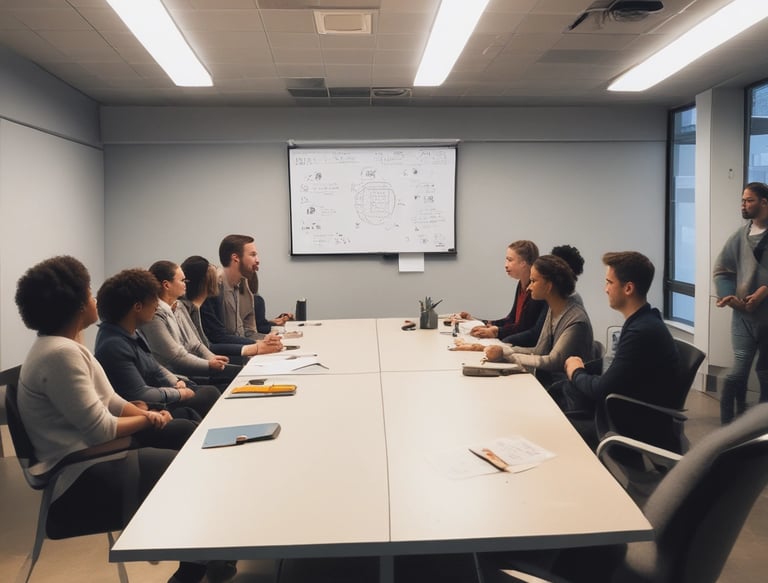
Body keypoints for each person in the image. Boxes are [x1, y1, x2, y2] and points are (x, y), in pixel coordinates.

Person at [13, 256, 213, 583]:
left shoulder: (63, 347)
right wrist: (150, 419)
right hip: (79, 478)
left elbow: (113, 401)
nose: (95, 299)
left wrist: (147, 414)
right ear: (75, 305)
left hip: (92, 460)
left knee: (185, 436)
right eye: (89, 293)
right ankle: (194, 571)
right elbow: (103, 429)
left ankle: (206, 559)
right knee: (189, 473)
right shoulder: (60, 355)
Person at [559, 251, 680, 415]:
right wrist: (582, 368)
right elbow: (617, 369)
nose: (606, 289)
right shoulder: (644, 321)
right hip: (624, 411)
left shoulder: (641, 332)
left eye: (609, 282)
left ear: (628, 288)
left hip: (627, 424)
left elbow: (602, 389)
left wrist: (576, 372)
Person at [94, 268, 219, 420]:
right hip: (146, 409)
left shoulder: (133, 332)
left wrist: (176, 382)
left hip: (158, 397)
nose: (156, 305)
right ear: (138, 307)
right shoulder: (113, 345)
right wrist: (178, 393)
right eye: (153, 299)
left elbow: (155, 367)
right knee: (207, 396)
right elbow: (140, 394)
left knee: (208, 392)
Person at [484, 254, 595, 387]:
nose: (529, 287)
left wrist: (506, 355)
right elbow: (539, 351)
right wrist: (503, 349)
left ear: (548, 286)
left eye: (534, 281)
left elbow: (552, 362)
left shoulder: (576, 321)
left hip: (564, 395)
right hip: (551, 384)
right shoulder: (553, 309)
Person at [714, 181, 768, 424]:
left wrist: (763, 292)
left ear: (764, 203)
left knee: (766, 375)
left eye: (749, 200)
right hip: (743, 317)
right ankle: (728, 429)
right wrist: (730, 298)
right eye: (742, 200)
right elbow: (722, 270)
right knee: (736, 375)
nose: (744, 205)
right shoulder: (739, 236)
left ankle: (759, 429)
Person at [143, 260, 240, 388]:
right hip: (177, 378)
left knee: (239, 372)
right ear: (166, 285)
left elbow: (196, 345)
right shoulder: (155, 315)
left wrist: (212, 358)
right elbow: (176, 358)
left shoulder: (179, 307)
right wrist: (209, 365)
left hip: (189, 370)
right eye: (182, 281)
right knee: (233, 378)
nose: (185, 284)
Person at [180, 255, 278, 359]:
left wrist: (258, 343)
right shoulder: (185, 309)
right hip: (206, 364)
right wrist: (256, 346)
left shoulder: (204, 303)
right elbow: (209, 344)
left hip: (213, 359)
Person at [200, 234, 282, 354]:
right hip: (225, 357)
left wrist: (267, 340)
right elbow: (217, 337)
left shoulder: (244, 285)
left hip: (243, 351)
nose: (258, 260)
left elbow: (247, 331)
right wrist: (258, 345)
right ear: (235, 258)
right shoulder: (214, 288)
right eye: (253, 255)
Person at [458, 240, 545, 343]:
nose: (506, 265)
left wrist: (497, 332)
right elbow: (511, 319)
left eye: (510, 260)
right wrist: (478, 321)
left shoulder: (535, 289)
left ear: (523, 263)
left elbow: (523, 327)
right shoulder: (521, 284)